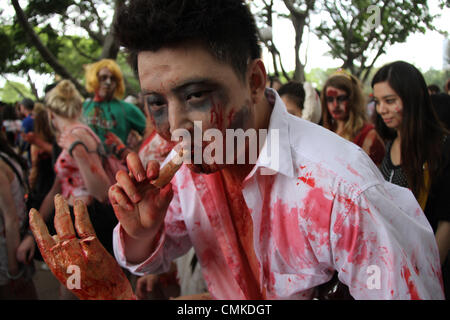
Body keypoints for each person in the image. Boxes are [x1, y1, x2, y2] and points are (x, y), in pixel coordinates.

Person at [30, 0, 444, 300]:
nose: (175, 128)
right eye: (156, 102)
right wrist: (141, 231)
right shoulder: (187, 173)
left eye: (194, 95)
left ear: (254, 80)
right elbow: (148, 257)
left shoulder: (344, 193)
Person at [373, 61, 450, 299]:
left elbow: (447, 223)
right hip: (392, 273)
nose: (381, 109)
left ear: (414, 97)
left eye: (390, 100)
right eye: (377, 102)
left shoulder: (443, 148)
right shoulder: (388, 146)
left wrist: (422, 276)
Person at [0, 132, 37, 299]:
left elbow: (10, 220)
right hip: (17, 242)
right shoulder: (5, 155)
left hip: (8, 250)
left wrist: (13, 270)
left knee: (17, 292)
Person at [82, 59, 147, 154]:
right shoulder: (83, 107)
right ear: (94, 79)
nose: (108, 82)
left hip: (117, 166)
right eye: (103, 77)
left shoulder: (127, 108)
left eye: (113, 79)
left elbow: (151, 133)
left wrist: (133, 152)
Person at [321, 70, 385, 166]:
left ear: (353, 100)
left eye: (341, 98)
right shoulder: (325, 131)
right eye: (330, 99)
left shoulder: (369, 134)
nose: (335, 105)